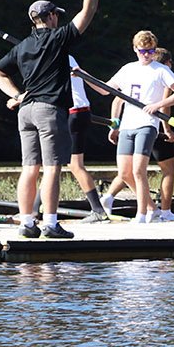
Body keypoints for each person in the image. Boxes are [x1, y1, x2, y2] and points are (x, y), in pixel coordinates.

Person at [0, 0, 103, 238]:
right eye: (56, 15)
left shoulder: (22, 46)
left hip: (25, 111)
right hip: (50, 110)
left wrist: (17, 95)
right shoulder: (58, 38)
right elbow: (87, 13)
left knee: (29, 167)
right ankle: (51, 225)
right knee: (53, 167)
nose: (58, 19)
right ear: (50, 17)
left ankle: (27, 223)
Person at [105, 31, 174, 225]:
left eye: (150, 51)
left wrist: (157, 106)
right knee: (124, 172)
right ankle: (151, 208)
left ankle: (142, 215)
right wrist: (80, 75)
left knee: (138, 171)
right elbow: (106, 90)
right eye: (143, 51)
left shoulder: (161, 69)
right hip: (127, 124)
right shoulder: (128, 69)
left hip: (147, 124)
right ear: (135, 49)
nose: (147, 55)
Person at [66, 53, 111, 221]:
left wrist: (21, 98)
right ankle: (35, 209)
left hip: (73, 113)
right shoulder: (68, 56)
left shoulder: (54, 56)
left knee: (74, 165)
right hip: (81, 112)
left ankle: (98, 211)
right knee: (54, 164)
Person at [148, 48, 174, 221]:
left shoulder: (145, 72)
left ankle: (108, 197)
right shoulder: (164, 75)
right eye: (171, 62)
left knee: (132, 170)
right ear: (166, 63)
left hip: (138, 125)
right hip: (156, 127)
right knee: (169, 170)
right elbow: (164, 107)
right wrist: (167, 130)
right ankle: (165, 212)